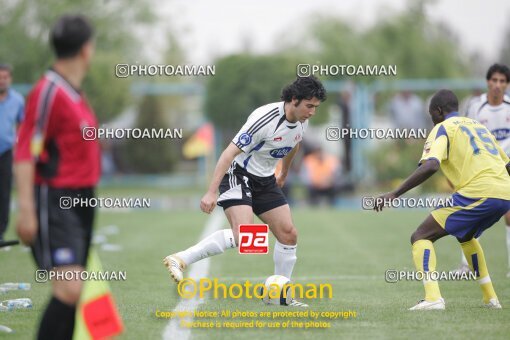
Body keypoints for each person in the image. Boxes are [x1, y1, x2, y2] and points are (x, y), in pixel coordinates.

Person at [164, 76, 326, 307]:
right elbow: (228, 153)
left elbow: (294, 143)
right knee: (247, 238)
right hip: (237, 174)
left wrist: (284, 173)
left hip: (265, 180)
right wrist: (211, 192)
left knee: (289, 234)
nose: (312, 112)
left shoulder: (302, 120)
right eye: (309, 106)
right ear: (294, 99)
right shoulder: (264, 119)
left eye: (315, 108)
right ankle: (180, 259)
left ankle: (281, 295)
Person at [375, 89, 510, 310]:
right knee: (466, 235)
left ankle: (433, 298)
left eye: (431, 116)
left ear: (438, 111)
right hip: (504, 193)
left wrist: (394, 194)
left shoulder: (443, 128)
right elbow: (507, 164)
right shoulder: (478, 126)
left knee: (420, 236)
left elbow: (431, 165)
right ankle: (491, 298)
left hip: (479, 192)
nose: (432, 121)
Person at [14, 15, 100, 339]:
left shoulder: (75, 94)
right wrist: (26, 211)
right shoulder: (48, 90)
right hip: (55, 200)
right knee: (68, 288)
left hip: (82, 200)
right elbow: (25, 152)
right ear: (86, 50)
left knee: (73, 291)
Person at [451, 64, 510, 277]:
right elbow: (463, 135)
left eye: (502, 81)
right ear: (488, 82)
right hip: (482, 168)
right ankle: (466, 266)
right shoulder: (476, 107)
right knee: (473, 214)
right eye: (494, 80)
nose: (497, 85)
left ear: (507, 84)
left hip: (507, 168)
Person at [0, 64, 24, 242]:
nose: (2, 80)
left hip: (6, 151)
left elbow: (22, 125)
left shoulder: (17, 100)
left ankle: (1, 232)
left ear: (10, 79)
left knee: (4, 192)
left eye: (5, 77)